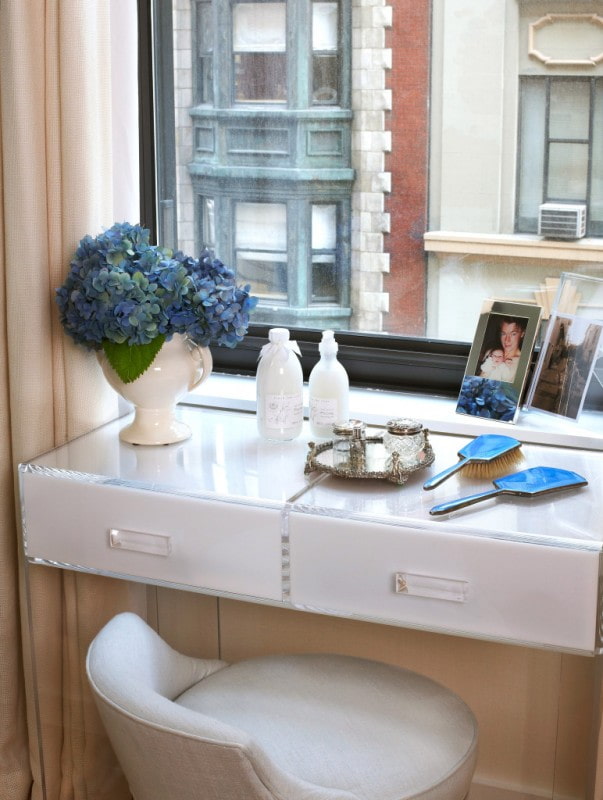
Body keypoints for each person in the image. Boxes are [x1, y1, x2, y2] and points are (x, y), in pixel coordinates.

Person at [479, 316, 526, 382]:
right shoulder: (491, 352)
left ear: (522, 334)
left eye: (513, 334)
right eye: (503, 334)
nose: (507, 340)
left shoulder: (522, 364)